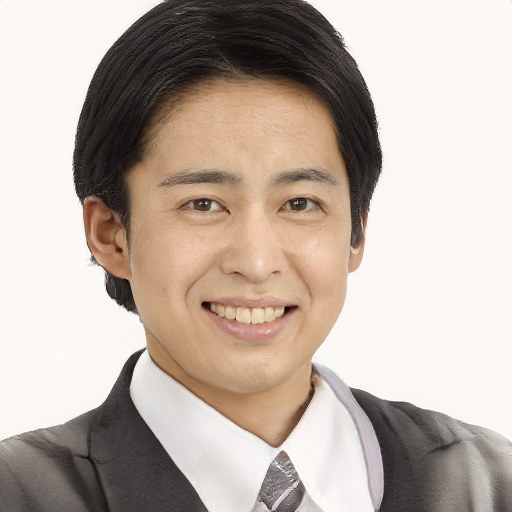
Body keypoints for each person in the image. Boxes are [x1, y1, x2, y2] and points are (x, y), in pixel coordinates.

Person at [1, 1, 511, 511]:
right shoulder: (20, 493)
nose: (257, 261)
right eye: (203, 204)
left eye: (299, 204)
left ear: (356, 231)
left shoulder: (487, 486)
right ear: (111, 234)